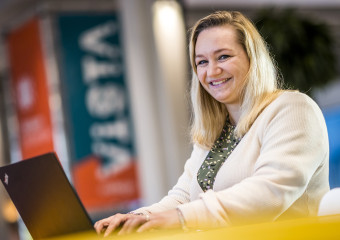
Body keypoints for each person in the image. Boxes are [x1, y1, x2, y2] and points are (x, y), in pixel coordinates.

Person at [94, 10, 329, 236]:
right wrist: (137, 218)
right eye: (202, 62)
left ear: (252, 58)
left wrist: (181, 218)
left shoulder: (292, 108)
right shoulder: (217, 129)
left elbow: (269, 192)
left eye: (223, 56)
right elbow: (183, 196)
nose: (212, 71)